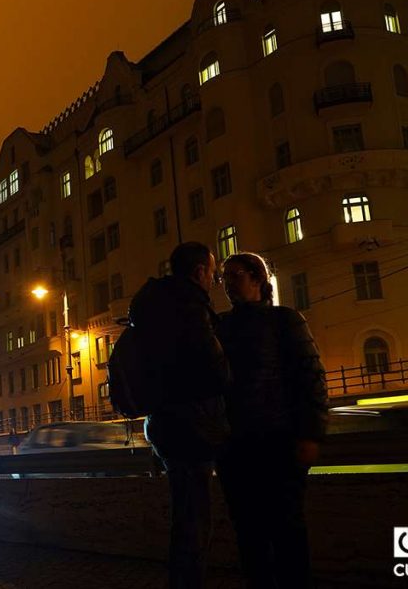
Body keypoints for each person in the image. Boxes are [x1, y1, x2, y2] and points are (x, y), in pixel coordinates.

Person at [216, 252, 328, 589]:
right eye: (223, 278)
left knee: (286, 529)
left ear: (258, 279)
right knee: (249, 533)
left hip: (278, 441)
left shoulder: (285, 320)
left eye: (235, 275)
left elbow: (311, 379)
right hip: (236, 446)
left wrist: (310, 435)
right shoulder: (220, 325)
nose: (228, 284)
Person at [135, 242, 230, 589]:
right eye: (213, 272)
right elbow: (216, 369)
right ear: (200, 272)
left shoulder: (149, 306)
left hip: (162, 424)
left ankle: (182, 579)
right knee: (195, 517)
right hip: (194, 423)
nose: (214, 280)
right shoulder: (190, 307)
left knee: (184, 512)